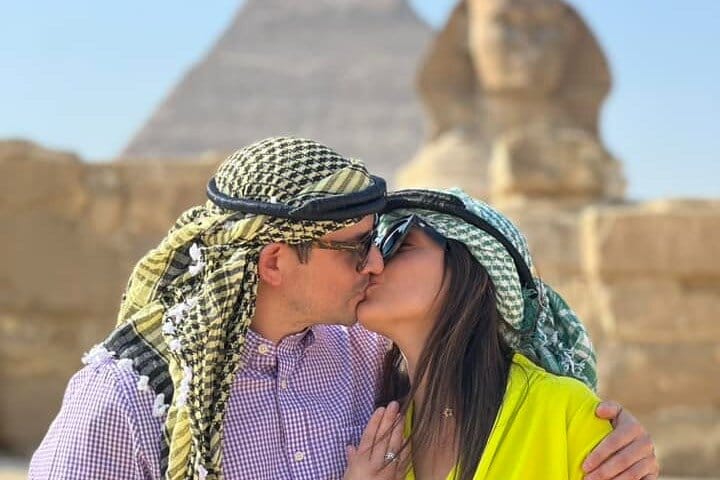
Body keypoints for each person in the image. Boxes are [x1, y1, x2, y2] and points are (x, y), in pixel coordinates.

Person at [29, 137, 657, 479]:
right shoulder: (127, 402)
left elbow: (507, 356)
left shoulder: (371, 358)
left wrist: (621, 444)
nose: (375, 264)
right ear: (275, 263)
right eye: (357, 248)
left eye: (390, 246)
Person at [344, 188, 660, 480]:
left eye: (399, 242)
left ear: (473, 267)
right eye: (370, 247)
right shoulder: (378, 435)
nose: (371, 263)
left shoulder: (565, 412)